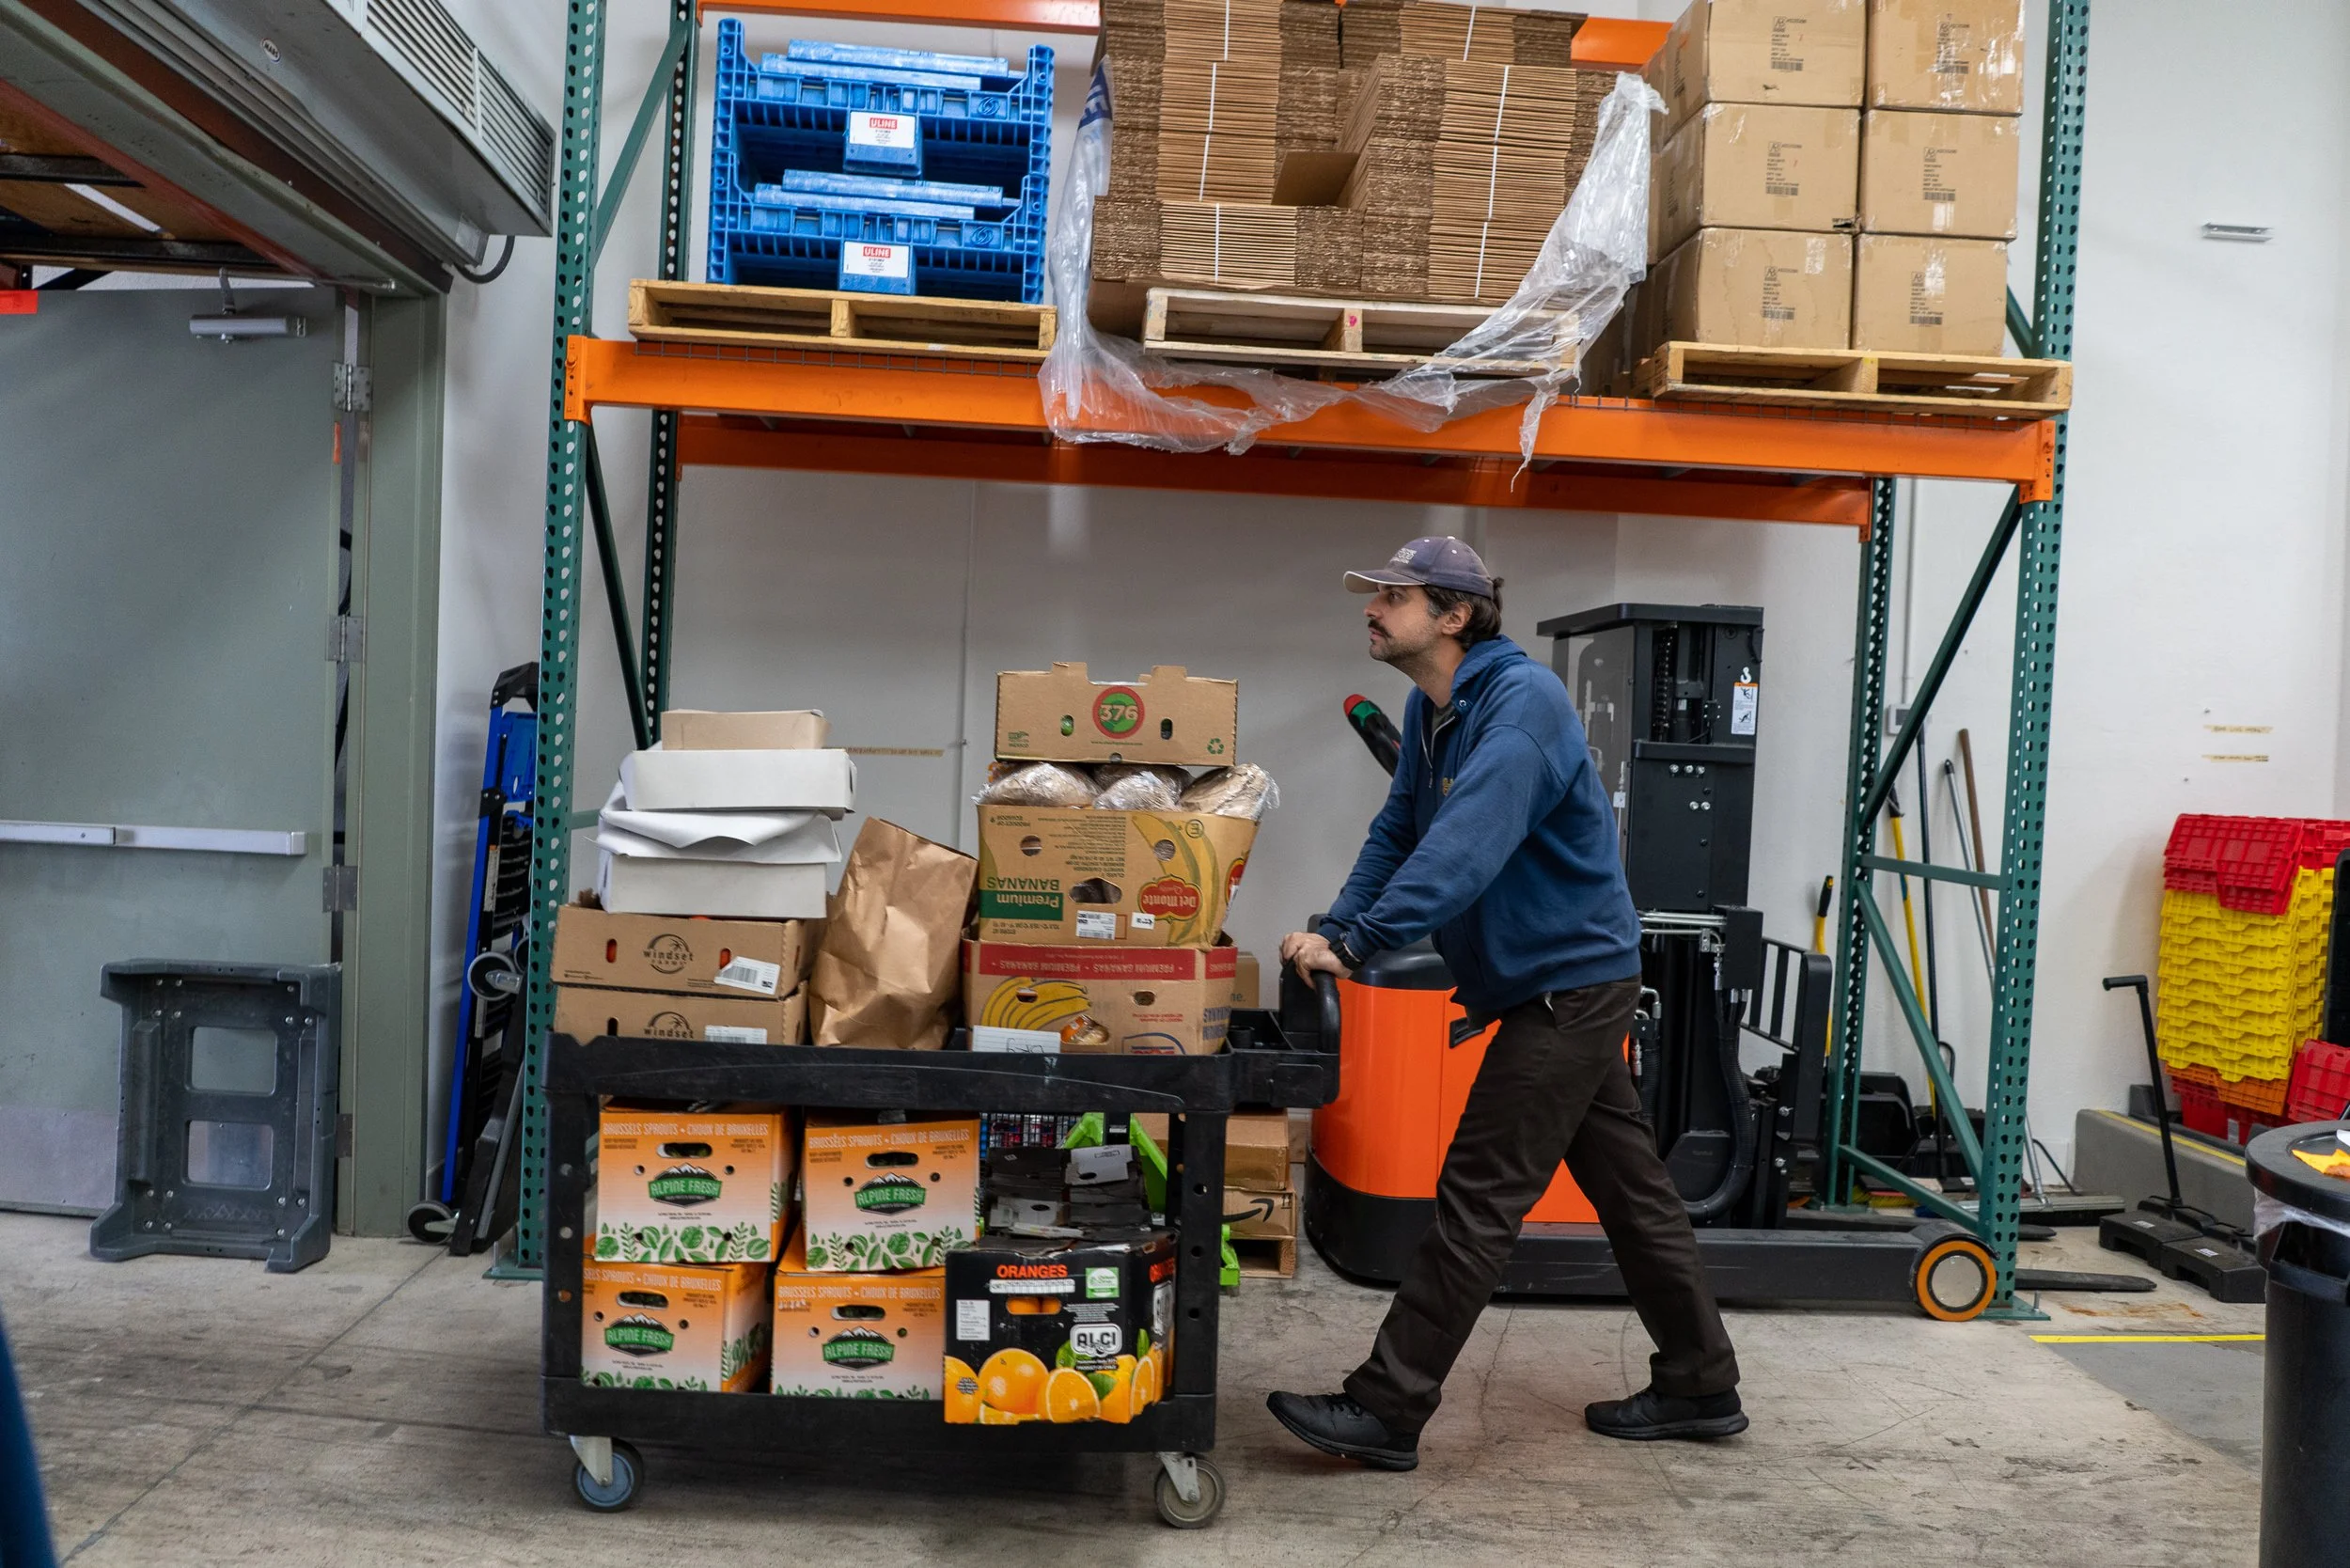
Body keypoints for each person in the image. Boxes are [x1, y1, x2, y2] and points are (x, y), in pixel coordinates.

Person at [1266, 535, 1745, 1472]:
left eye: (1393, 596)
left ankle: (1387, 1407)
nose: (1371, 608)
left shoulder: (1519, 705)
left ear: (1453, 615)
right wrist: (1338, 921)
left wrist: (1356, 944)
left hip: (1565, 987)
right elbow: (1399, 828)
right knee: (1635, 1198)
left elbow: (1464, 848)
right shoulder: (1433, 704)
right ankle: (1699, 1380)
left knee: (1478, 1194)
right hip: (1552, 981)